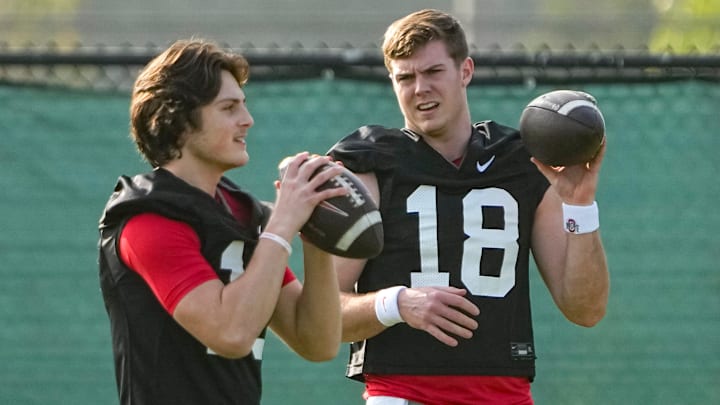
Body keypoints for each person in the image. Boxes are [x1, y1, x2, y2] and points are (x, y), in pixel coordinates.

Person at [326, 9, 610, 405]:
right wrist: (396, 304)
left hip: (506, 394)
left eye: (433, 72)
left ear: (466, 71)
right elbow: (323, 314)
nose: (420, 88)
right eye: (405, 78)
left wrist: (580, 206)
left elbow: (586, 309)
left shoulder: (520, 164)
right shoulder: (372, 168)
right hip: (403, 393)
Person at [98, 38, 346, 405]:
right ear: (178, 122)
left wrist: (317, 235)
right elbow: (230, 334)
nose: (247, 120)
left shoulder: (241, 212)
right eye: (228, 108)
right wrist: (282, 225)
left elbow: (317, 341)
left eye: (243, 106)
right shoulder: (148, 221)